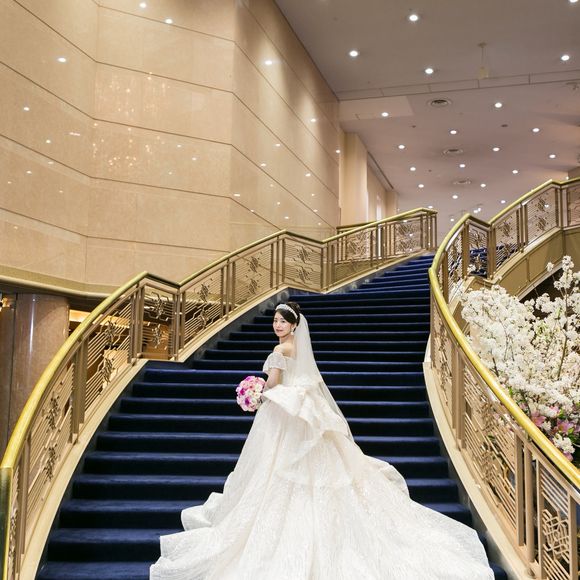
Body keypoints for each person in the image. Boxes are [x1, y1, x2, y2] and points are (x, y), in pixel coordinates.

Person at [150, 302, 494, 579]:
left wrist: (255, 391)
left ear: (293, 325)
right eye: (275, 321)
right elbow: (306, 381)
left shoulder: (280, 349)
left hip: (286, 412)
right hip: (300, 408)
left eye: (282, 321)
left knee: (277, 467)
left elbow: (274, 383)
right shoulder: (298, 348)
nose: (277, 325)